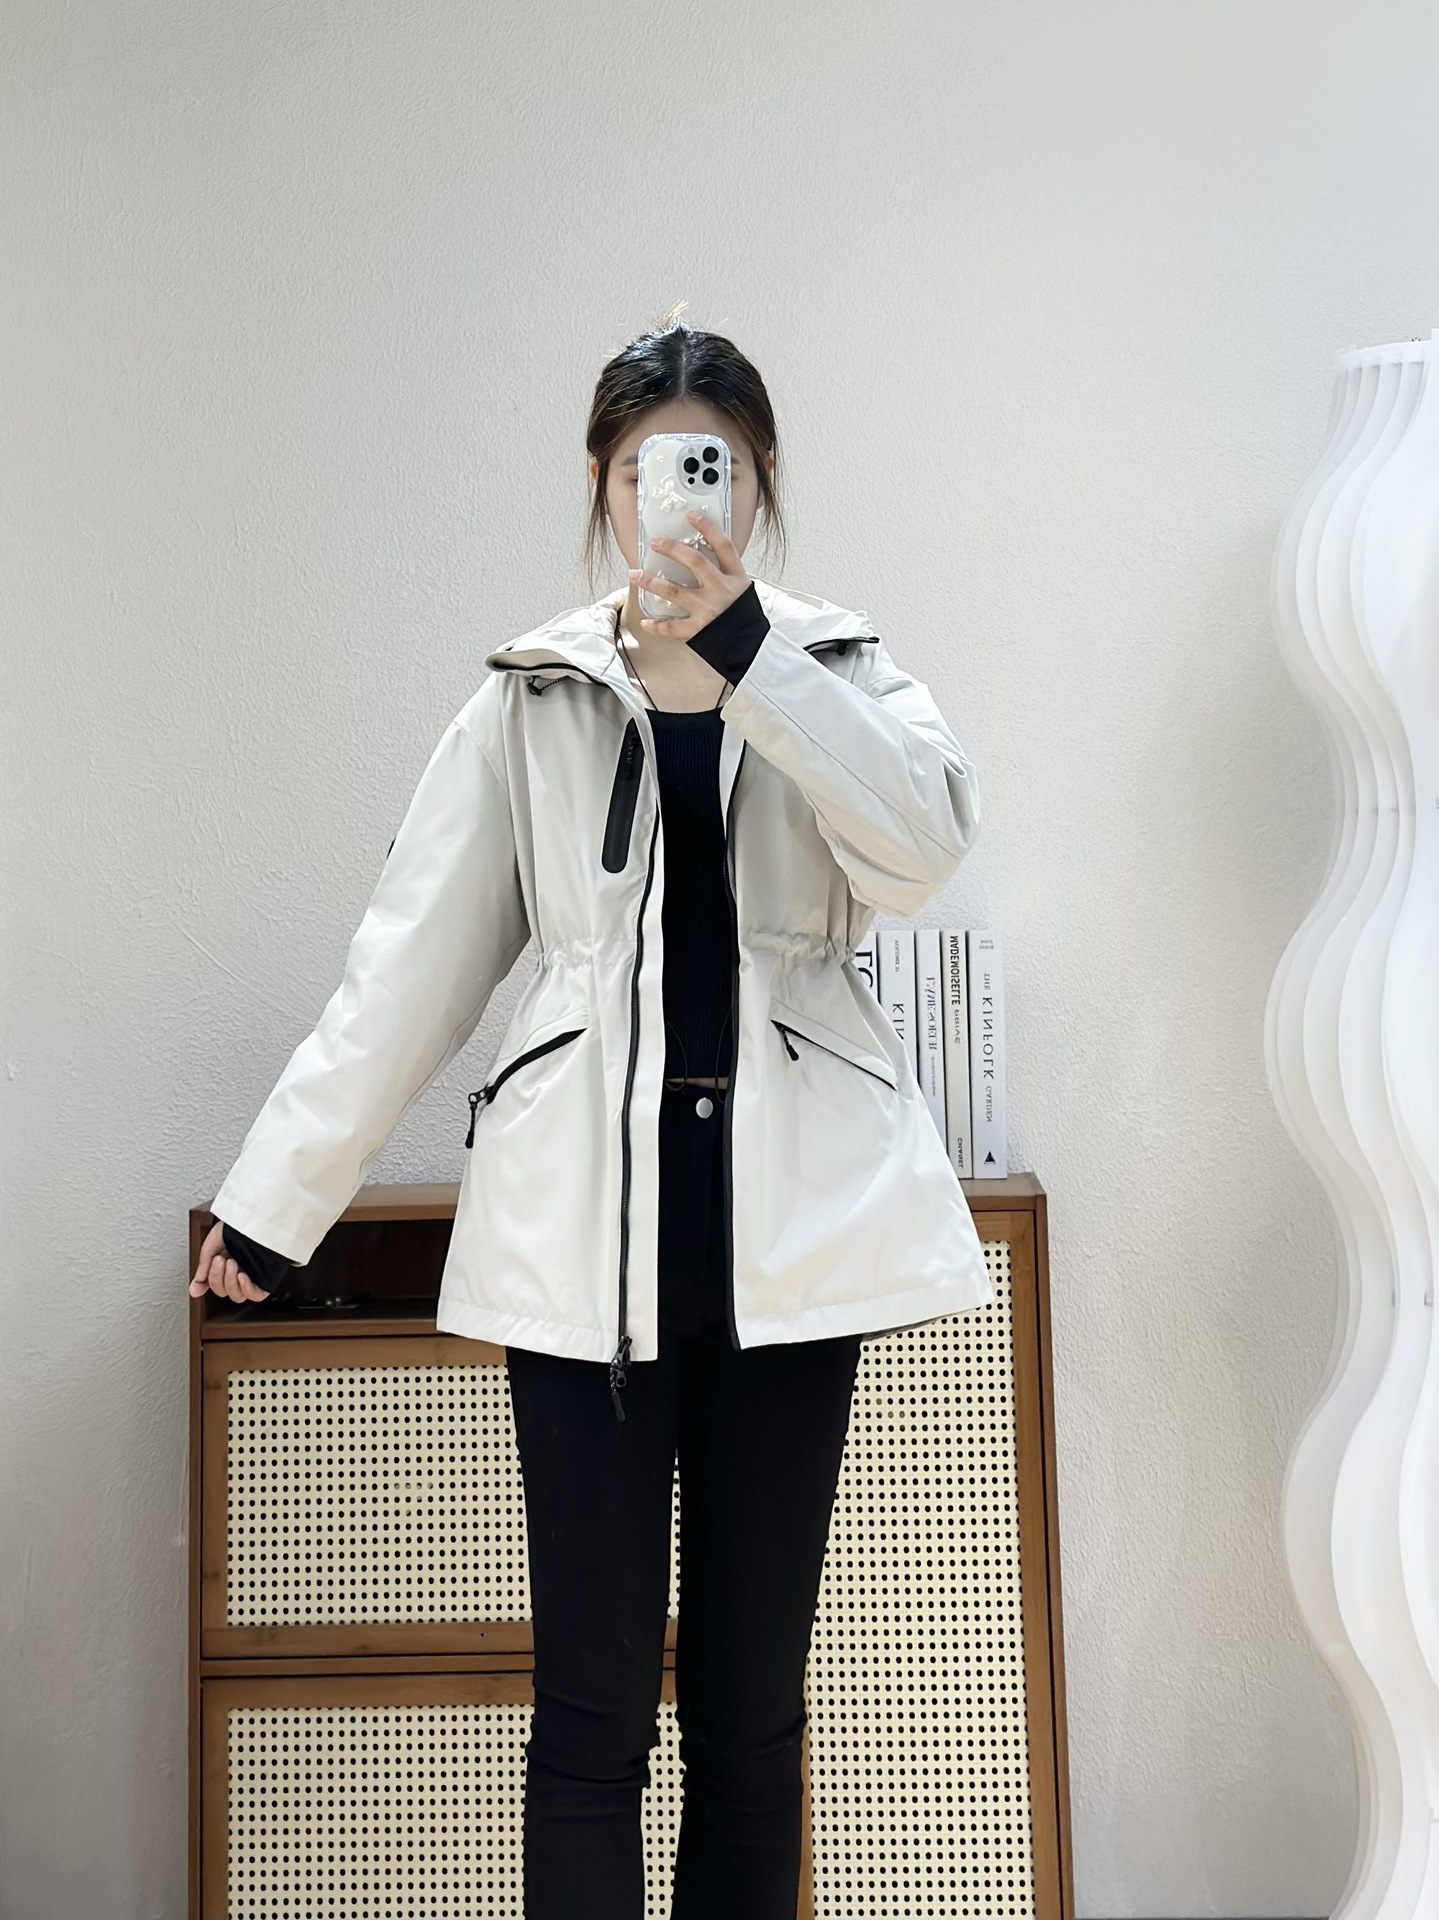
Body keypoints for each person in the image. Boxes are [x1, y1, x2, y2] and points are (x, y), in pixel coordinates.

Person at [189, 309, 991, 1920]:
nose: (678, 498)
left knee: (753, 1723)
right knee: (589, 1723)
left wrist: (753, 655)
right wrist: (275, 1205)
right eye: (645, 470)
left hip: (793, 1256)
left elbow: (923, 851)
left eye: (714, 467)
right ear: (602, 488)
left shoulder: (840, 669)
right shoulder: (530, 699)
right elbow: (407, 973)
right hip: (580, 1254)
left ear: (761, 485)